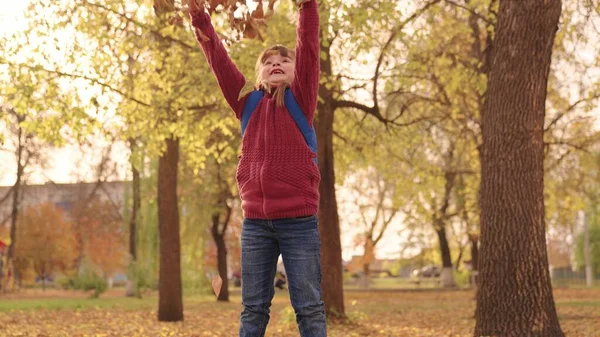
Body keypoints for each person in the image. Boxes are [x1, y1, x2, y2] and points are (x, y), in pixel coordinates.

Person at [189, 0, 326, 336]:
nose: (275, 64)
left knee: (308, 307)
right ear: (258, 73)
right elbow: (219, 61)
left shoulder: (301, 99)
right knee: (252, 309)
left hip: (299, 222)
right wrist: (199, 19)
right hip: (256, 226)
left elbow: (307, 45)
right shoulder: (246, 103)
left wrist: (307, 6)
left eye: (283, 60)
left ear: (296, 72)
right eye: (268, 62)